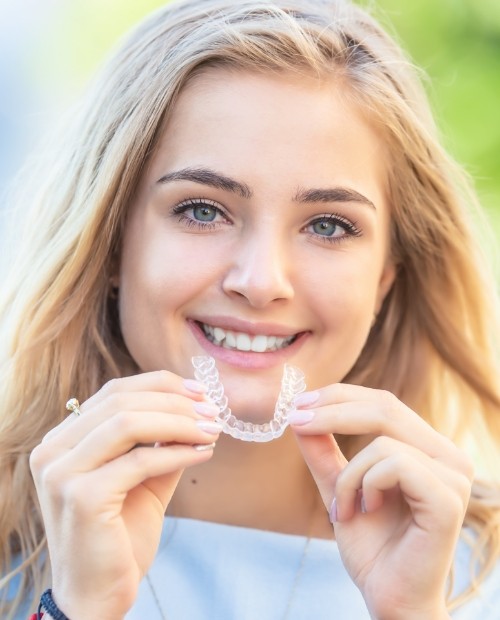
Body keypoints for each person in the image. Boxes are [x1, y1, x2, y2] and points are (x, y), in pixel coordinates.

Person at [1, 0, 499, 618]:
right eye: (202, 210)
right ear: (108, 245)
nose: (261, 282)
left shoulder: (480, 576)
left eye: (328, 224)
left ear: (385, 280)